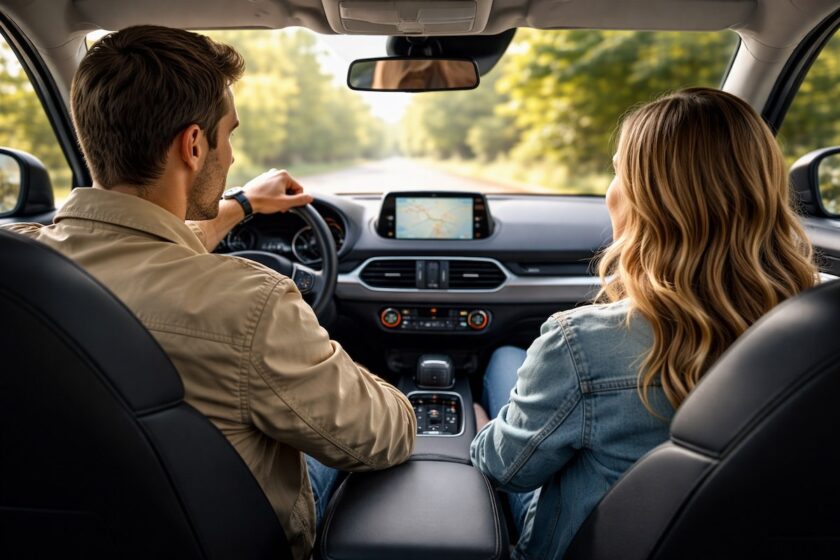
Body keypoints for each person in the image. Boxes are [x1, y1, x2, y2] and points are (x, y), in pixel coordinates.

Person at [2, 26, 416, 560]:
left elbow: (135, 244)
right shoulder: (251, 304)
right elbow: (380, 436)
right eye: (230, 134)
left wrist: (243, 205)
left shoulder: (17, 271)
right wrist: (398, 397)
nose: (233, 156)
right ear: (194, 145)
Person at [470, 87, 818, 560]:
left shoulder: (580, 344)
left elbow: (507, 471)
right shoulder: (817, 332)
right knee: (510, 361)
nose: (610, 190)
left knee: (501, 369)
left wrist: (480, 427)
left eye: (618, 172)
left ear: (647, 202)